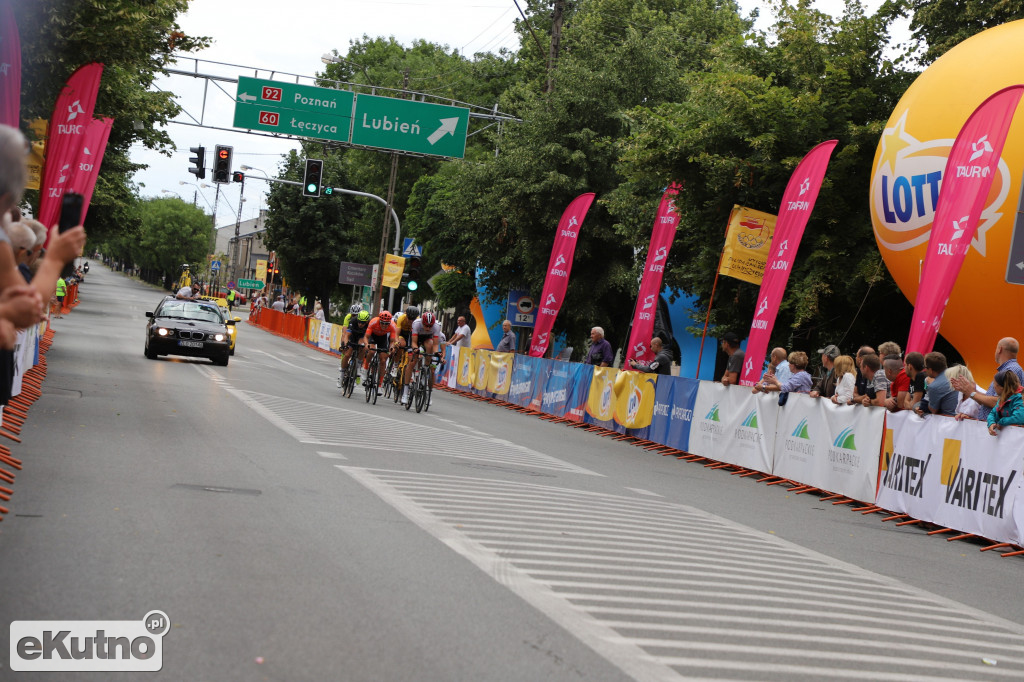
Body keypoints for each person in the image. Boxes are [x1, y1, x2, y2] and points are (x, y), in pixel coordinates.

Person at [951, 337, 1024, 423]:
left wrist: (972, 393)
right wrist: (972, 391)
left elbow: (1000, 402)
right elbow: (995, 399)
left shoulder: (1009, 370)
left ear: (999, 349)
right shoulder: (1010, 369)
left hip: (996, 430)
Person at [403, 311, 441, 404]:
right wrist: (415, 349)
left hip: (427, 338)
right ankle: (405, 392)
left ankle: (425, 370)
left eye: (430, 326)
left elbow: (436, 344)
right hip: (416, 339)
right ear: (422, 323)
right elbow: (414, 342)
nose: (428, 328)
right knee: (411, 363)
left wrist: (436, 353)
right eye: (426, 326)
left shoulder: (436, 326)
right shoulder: (416, 324)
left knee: (430, 345)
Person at [917, 351, 957, 416]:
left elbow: (933, 410)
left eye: (925, 367)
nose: (924, 370)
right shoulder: (957, 374)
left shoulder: (934, 386)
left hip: (948, 420)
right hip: (965, 419)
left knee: (917, 406)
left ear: (930, 370)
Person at [339, 309, 371, 388]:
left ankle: (359, 366)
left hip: (362, 337)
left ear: (366, 322)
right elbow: (347, 335)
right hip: (353, 336)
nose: (360, 324)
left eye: (363, 323)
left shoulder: (369, 324)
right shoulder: (353, 321)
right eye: (359, 321)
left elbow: (367, 338)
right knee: (347, 355)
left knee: (362, 347)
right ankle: (341, 376)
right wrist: (346, 345)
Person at [987, 370, 1024, 435]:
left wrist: (1001, 422)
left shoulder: (1019, 398)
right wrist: (991, 423)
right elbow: (992, 413)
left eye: (995, 384)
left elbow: (1019, 418)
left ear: (1001, 387)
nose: (994, 387)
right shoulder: (1002, 399)